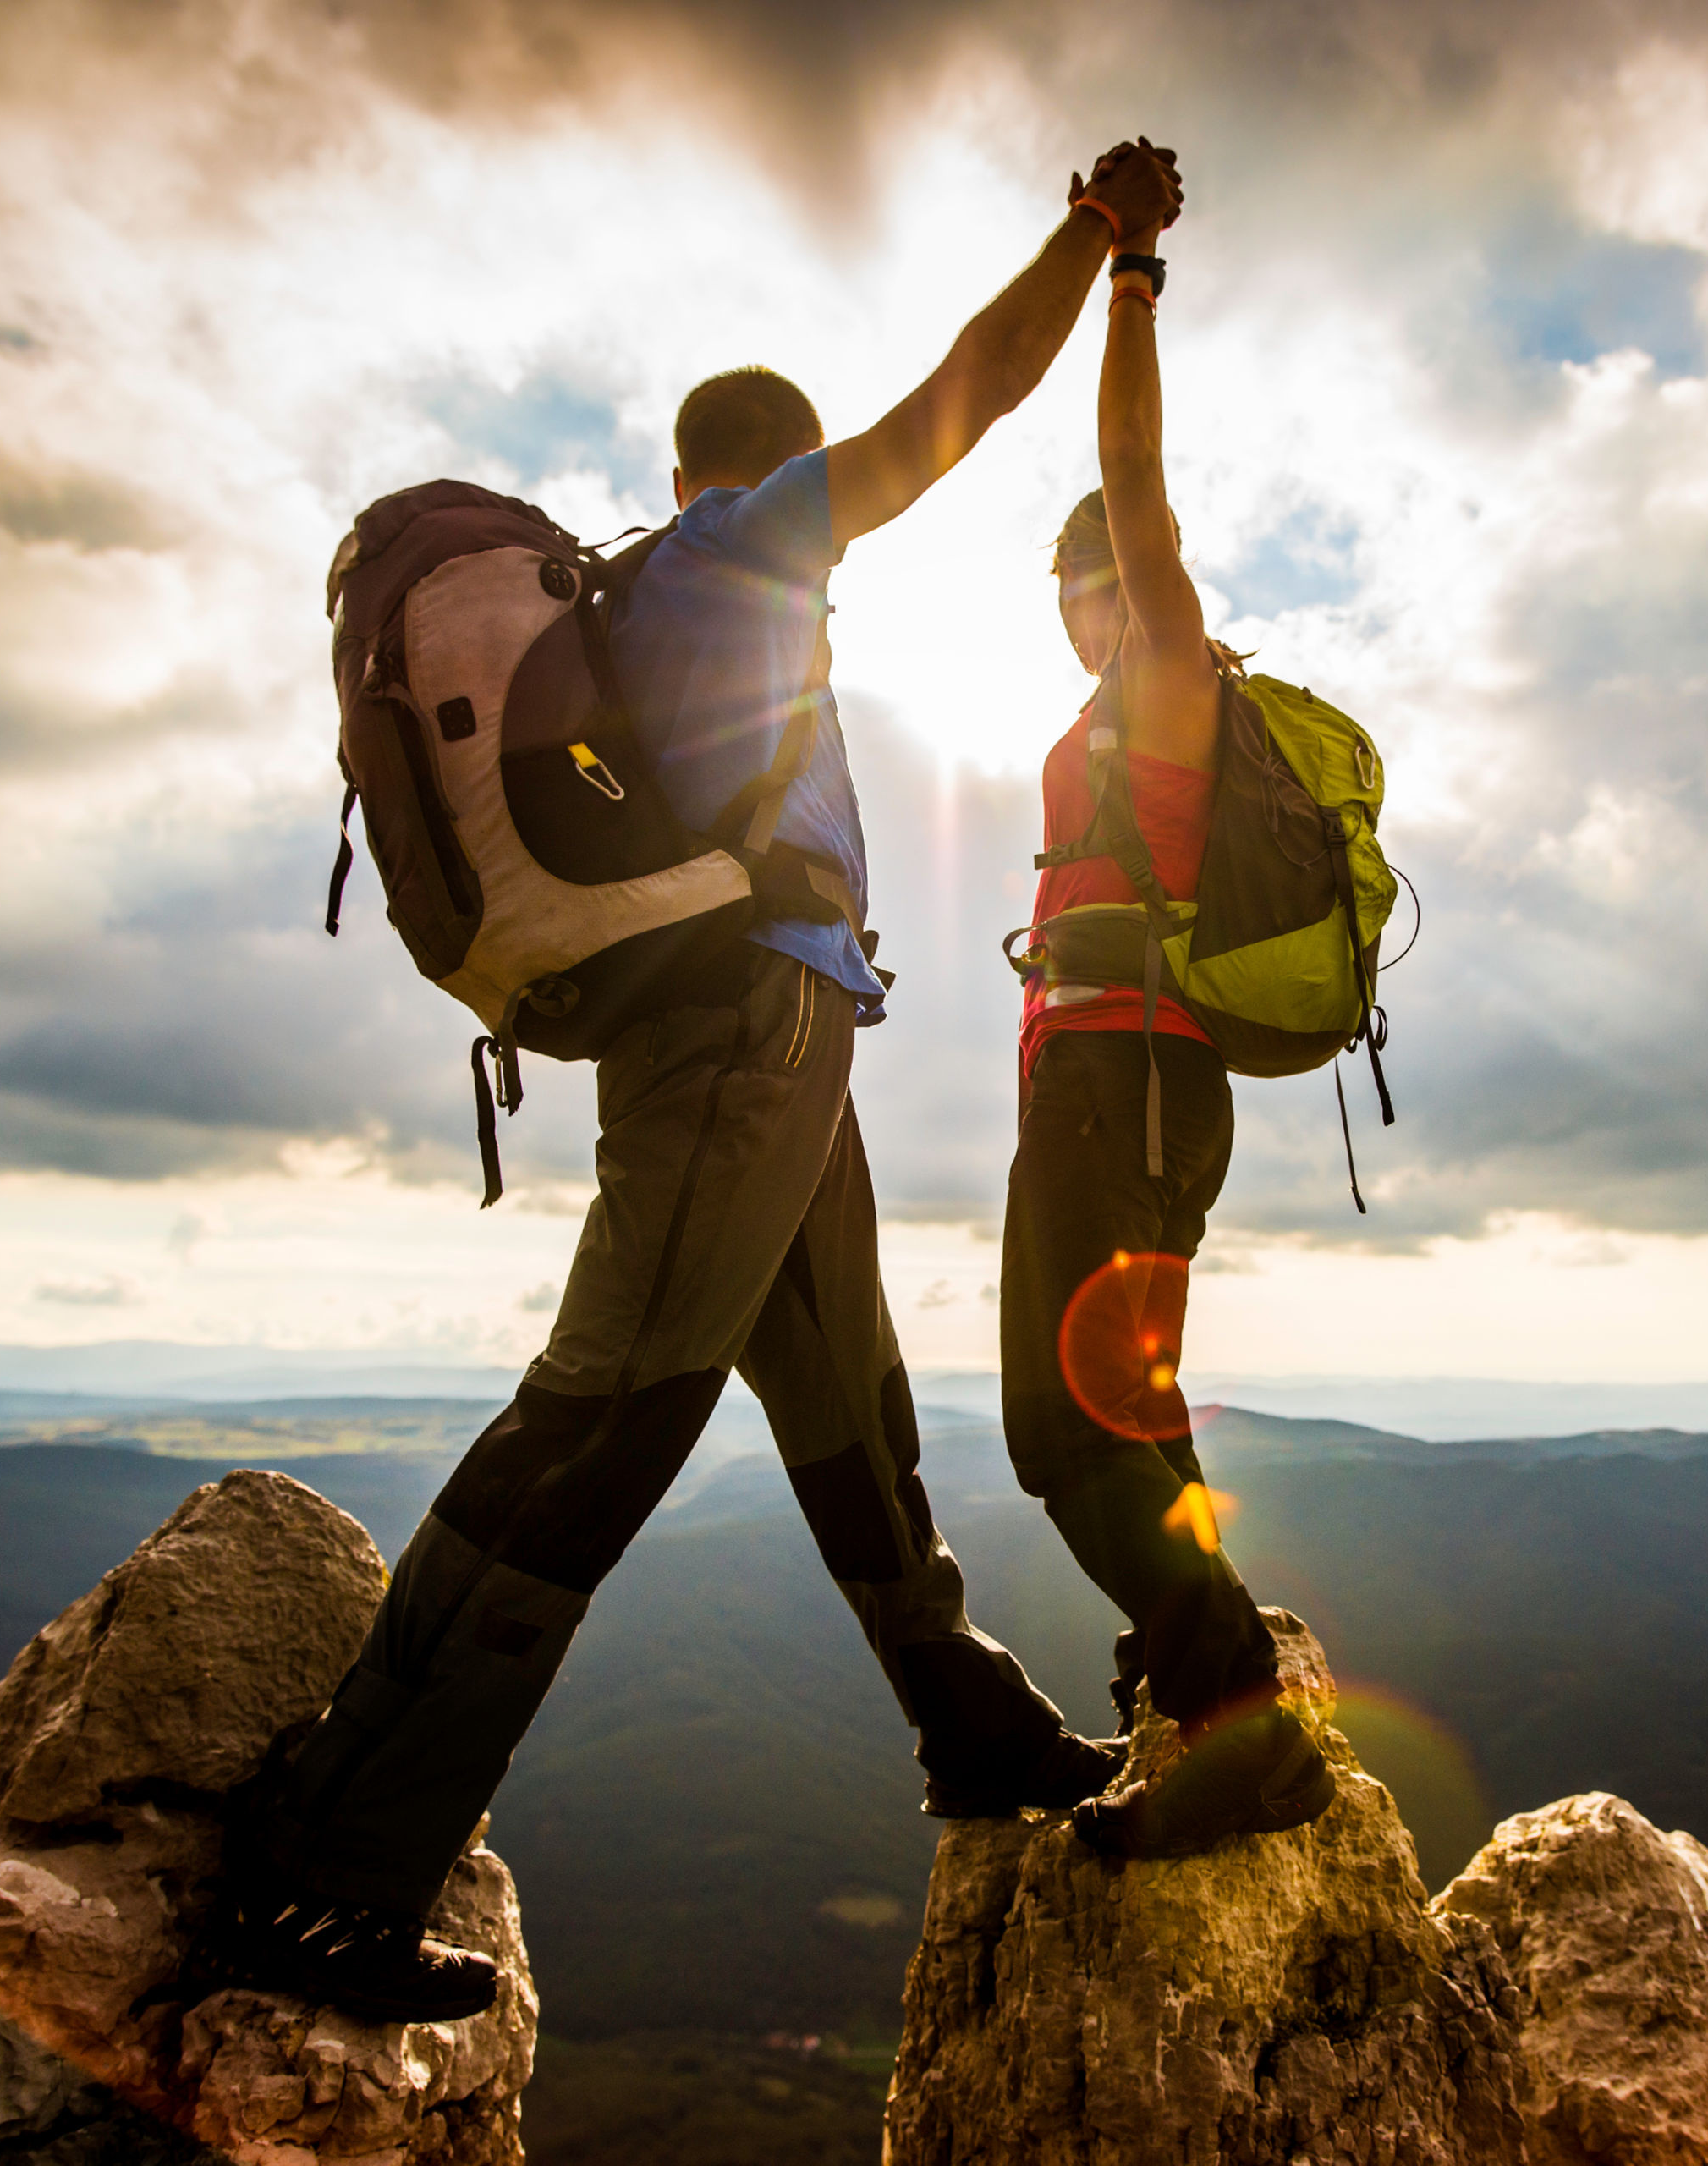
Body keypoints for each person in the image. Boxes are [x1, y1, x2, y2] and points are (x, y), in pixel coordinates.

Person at [213, 141, 1191, 2025]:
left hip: (778, 1038)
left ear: (668, 473)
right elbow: (963, 405)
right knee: (607, 1418)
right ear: (758, 476)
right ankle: (327, 1871)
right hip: (743, 1037)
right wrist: (1103, 243)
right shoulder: (752, 545)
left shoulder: (652, 579)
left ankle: (971, 1723)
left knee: (854, 1415)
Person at [1002, 173, 1337, 1857]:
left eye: (1104, 578)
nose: (1096, 600)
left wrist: (1128, 276)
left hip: (1122, 1078)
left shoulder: (1171, 674)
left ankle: (1238, 1732)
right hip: (1125, 1079)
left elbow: (1136, 482)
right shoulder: (1111, 721)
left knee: (1053, 1430)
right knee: (1131, 1410)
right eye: (1074, 585)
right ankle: (1204, 1667)